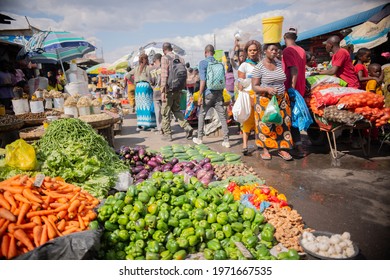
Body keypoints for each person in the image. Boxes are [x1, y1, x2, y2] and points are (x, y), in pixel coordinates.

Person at [251, 43, 294, 161]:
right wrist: (267, 89)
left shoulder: (279, 64)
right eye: (272, 49)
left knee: (283, 123)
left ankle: (282, 149)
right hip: (265, 100)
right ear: (265, 51)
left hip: (281, 99)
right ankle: (265, 150)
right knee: (266, 125)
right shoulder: (259, 67)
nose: (275, 52)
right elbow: (254, 86)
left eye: (276, 50)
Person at [193, 44, 230, 148]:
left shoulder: (203, 63)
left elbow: (203, 80)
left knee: (202, 114)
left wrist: (200, 95)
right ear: (213, 53)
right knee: (222, 116)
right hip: (218, 93)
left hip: (208, 94)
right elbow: (223, 80)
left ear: (205, 53)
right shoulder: (220, 64)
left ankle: (200, 138)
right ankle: (226, 140)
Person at [160, 42, 193, 141]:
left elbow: (164, 75)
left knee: (165, 112)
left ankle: (168, 134)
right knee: (177, 110)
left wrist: (163, 90)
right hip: (178, 89)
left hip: (169, 90)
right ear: (171, 48)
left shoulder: (165, 58)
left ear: (164, 50)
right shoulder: (180, 58)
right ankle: (187, 127)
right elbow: (185, 74)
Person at [282, 27, 307, 157]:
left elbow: (294, 70)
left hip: (291, 89)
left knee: (289, 119)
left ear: (284, 37)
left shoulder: (287, 50)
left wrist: (291, 88)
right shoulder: (302, 50)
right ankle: (296, 145)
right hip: (300, 89)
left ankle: (296, 147)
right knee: (295, 118)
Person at [237, 40, 262, 155]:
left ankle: (259, 143)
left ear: (258, 51)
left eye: (254, 50)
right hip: (248, 96)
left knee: (259, 120)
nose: (252, 52)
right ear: (247, 52)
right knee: (248, 121)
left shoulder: (261, 64)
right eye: (250, 50)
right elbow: (240, 84)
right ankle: (245, 145)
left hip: (260, 95)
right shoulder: (244, 65)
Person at [132, 53, 156, 131]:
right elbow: (152, 78)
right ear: (147, 59)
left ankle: (140, 125)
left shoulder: (136, 68)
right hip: (146, 87)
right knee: (148, 105)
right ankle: (149, 124)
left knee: (139, 106)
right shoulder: (149, 68)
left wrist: (135, 82)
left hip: (138, 88)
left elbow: (128, 75)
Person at [150, 53, 163, 134]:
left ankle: (160, 129)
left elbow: (151, 82)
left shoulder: (151, 70)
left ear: (155, 60)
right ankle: (166, 128)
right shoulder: (164, 68)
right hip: (164, 92)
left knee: (158, 112)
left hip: (156, 93)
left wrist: (154, 88)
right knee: (165, 112)